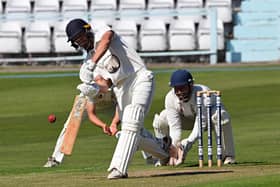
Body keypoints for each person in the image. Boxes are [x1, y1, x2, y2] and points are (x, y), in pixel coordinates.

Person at [58, 18, 170, 179]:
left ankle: (118, 168)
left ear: (87, 30)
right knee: (131, 131)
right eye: (76, 39)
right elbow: (106, 84)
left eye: (81, 35)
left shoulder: (100, 30)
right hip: (120, 89)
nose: (80, 40)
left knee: (132, 121)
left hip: (139, 78)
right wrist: (94, 89)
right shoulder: (87, 60)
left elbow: (107, 39)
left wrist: (92, 63)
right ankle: (164, 149)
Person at [152, 69, 236, 166]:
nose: (179, 92)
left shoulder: (203, 94)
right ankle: (165, 156)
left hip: (209, 119)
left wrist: (186, 144)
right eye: (177, 89)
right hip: (187, 120)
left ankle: (227, 156)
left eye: (182, 88)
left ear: (191, 84)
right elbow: (174, 127)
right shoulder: (170, 98)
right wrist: (175, 147)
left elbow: (201, 123)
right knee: (160, 120)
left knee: (220, 116)